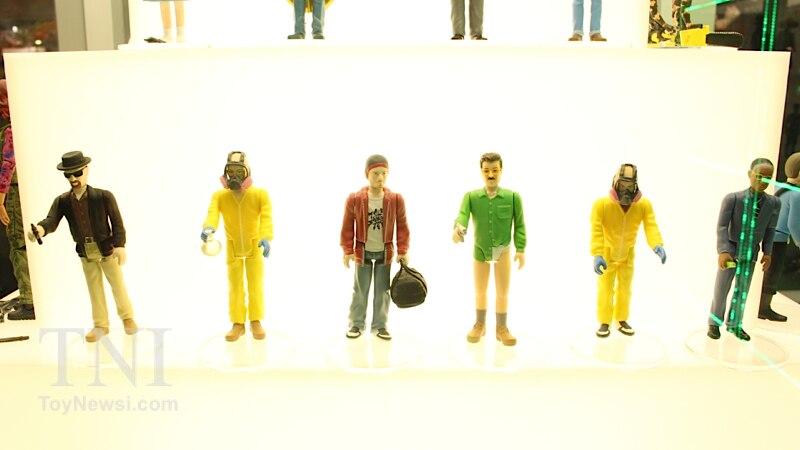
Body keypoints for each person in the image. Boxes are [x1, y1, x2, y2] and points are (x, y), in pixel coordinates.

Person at [29, 151, 136, 342]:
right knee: (94, 288)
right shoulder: (63, 201)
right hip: (85, 251)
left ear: (86, 170)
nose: (73, 179)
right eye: (68, 175)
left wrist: (120, 245)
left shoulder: (103, 196)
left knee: (117, 284)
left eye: (77, 173)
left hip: (107, 249)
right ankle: (101, 324)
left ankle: (127, 317)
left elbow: (117, 223)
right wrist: (40, 229)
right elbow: (51, 220)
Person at [453, 152, 525, 346]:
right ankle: (480, 324)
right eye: (486, 170)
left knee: (502, 291)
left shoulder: (512, 197)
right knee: (480, 290)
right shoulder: (471, 197)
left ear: (501, 170)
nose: (491, 175)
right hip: (480, 250)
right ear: (481, 171)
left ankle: (502, 327)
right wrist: (458, 228)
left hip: (503, 250)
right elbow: (462, 215)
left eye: (495, 170)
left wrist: (520, 249)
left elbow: (519, 225)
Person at [201, 151, 273, 342]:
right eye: (231, 172)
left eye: (239, 172)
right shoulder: (220, 196)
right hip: (232, 246)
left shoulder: (260, 195)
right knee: (235, 287)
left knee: (255, 285)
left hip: (254, 245)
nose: (234, 176)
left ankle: (255, 320)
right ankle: (238, 323)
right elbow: (212, 213)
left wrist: (266, 237)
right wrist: (209, 227)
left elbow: (266, 218)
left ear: (247, 172)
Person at [708, 158, 781, 341]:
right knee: (721, 288)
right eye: (759, 176)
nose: (763, 181)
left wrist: (768, 252)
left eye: (768, 177)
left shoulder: (774, 203)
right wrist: (723, 250)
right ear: (750, 174)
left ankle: (734, 324)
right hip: (732, 250)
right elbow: (722, 226)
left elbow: (771, 229)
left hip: (751, 252)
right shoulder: (733, 199)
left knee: (742, 290)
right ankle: (714, 323)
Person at [591, 164, 666, 338]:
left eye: (630, 186)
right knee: (605, 289)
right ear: (615, 184)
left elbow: (651, 226)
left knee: (625, 289)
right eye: (622, 185)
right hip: (607, 255)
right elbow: (596, 231)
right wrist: (597, 253)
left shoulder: (643, 206)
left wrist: (657, 244)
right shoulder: (602, 205)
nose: (626, 191)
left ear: (635, 186)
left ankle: (621, 319)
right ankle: (604, 321)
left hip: (627, 255)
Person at [341, 155, 409, 341]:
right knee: (360, 290)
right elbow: (347, 226)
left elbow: (402, 226)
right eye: (376, 173)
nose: (380, 178)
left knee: (383, 291)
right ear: (367, 174)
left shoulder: (395, 199)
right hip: (362, 252)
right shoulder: (355, 199)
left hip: (384, 252)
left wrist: (403, 250)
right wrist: (347, 250)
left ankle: (380, 325)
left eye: (384, 173)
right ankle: (356, 323)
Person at [0, 80, 34, 321]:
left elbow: (8, 164)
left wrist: (1, 199)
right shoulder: (22, 125)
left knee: (18, 245)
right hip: (19, 191)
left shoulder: (12, 130)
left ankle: (29, 301)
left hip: (13, 193)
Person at [758, 152, 800, 322]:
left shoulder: (779, 187)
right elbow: (794, 223)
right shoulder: (797, 194)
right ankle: (764, 308)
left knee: (766, 272)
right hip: (780, 240)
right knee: (773, 274)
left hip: (767, 236)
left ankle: (759, 306)